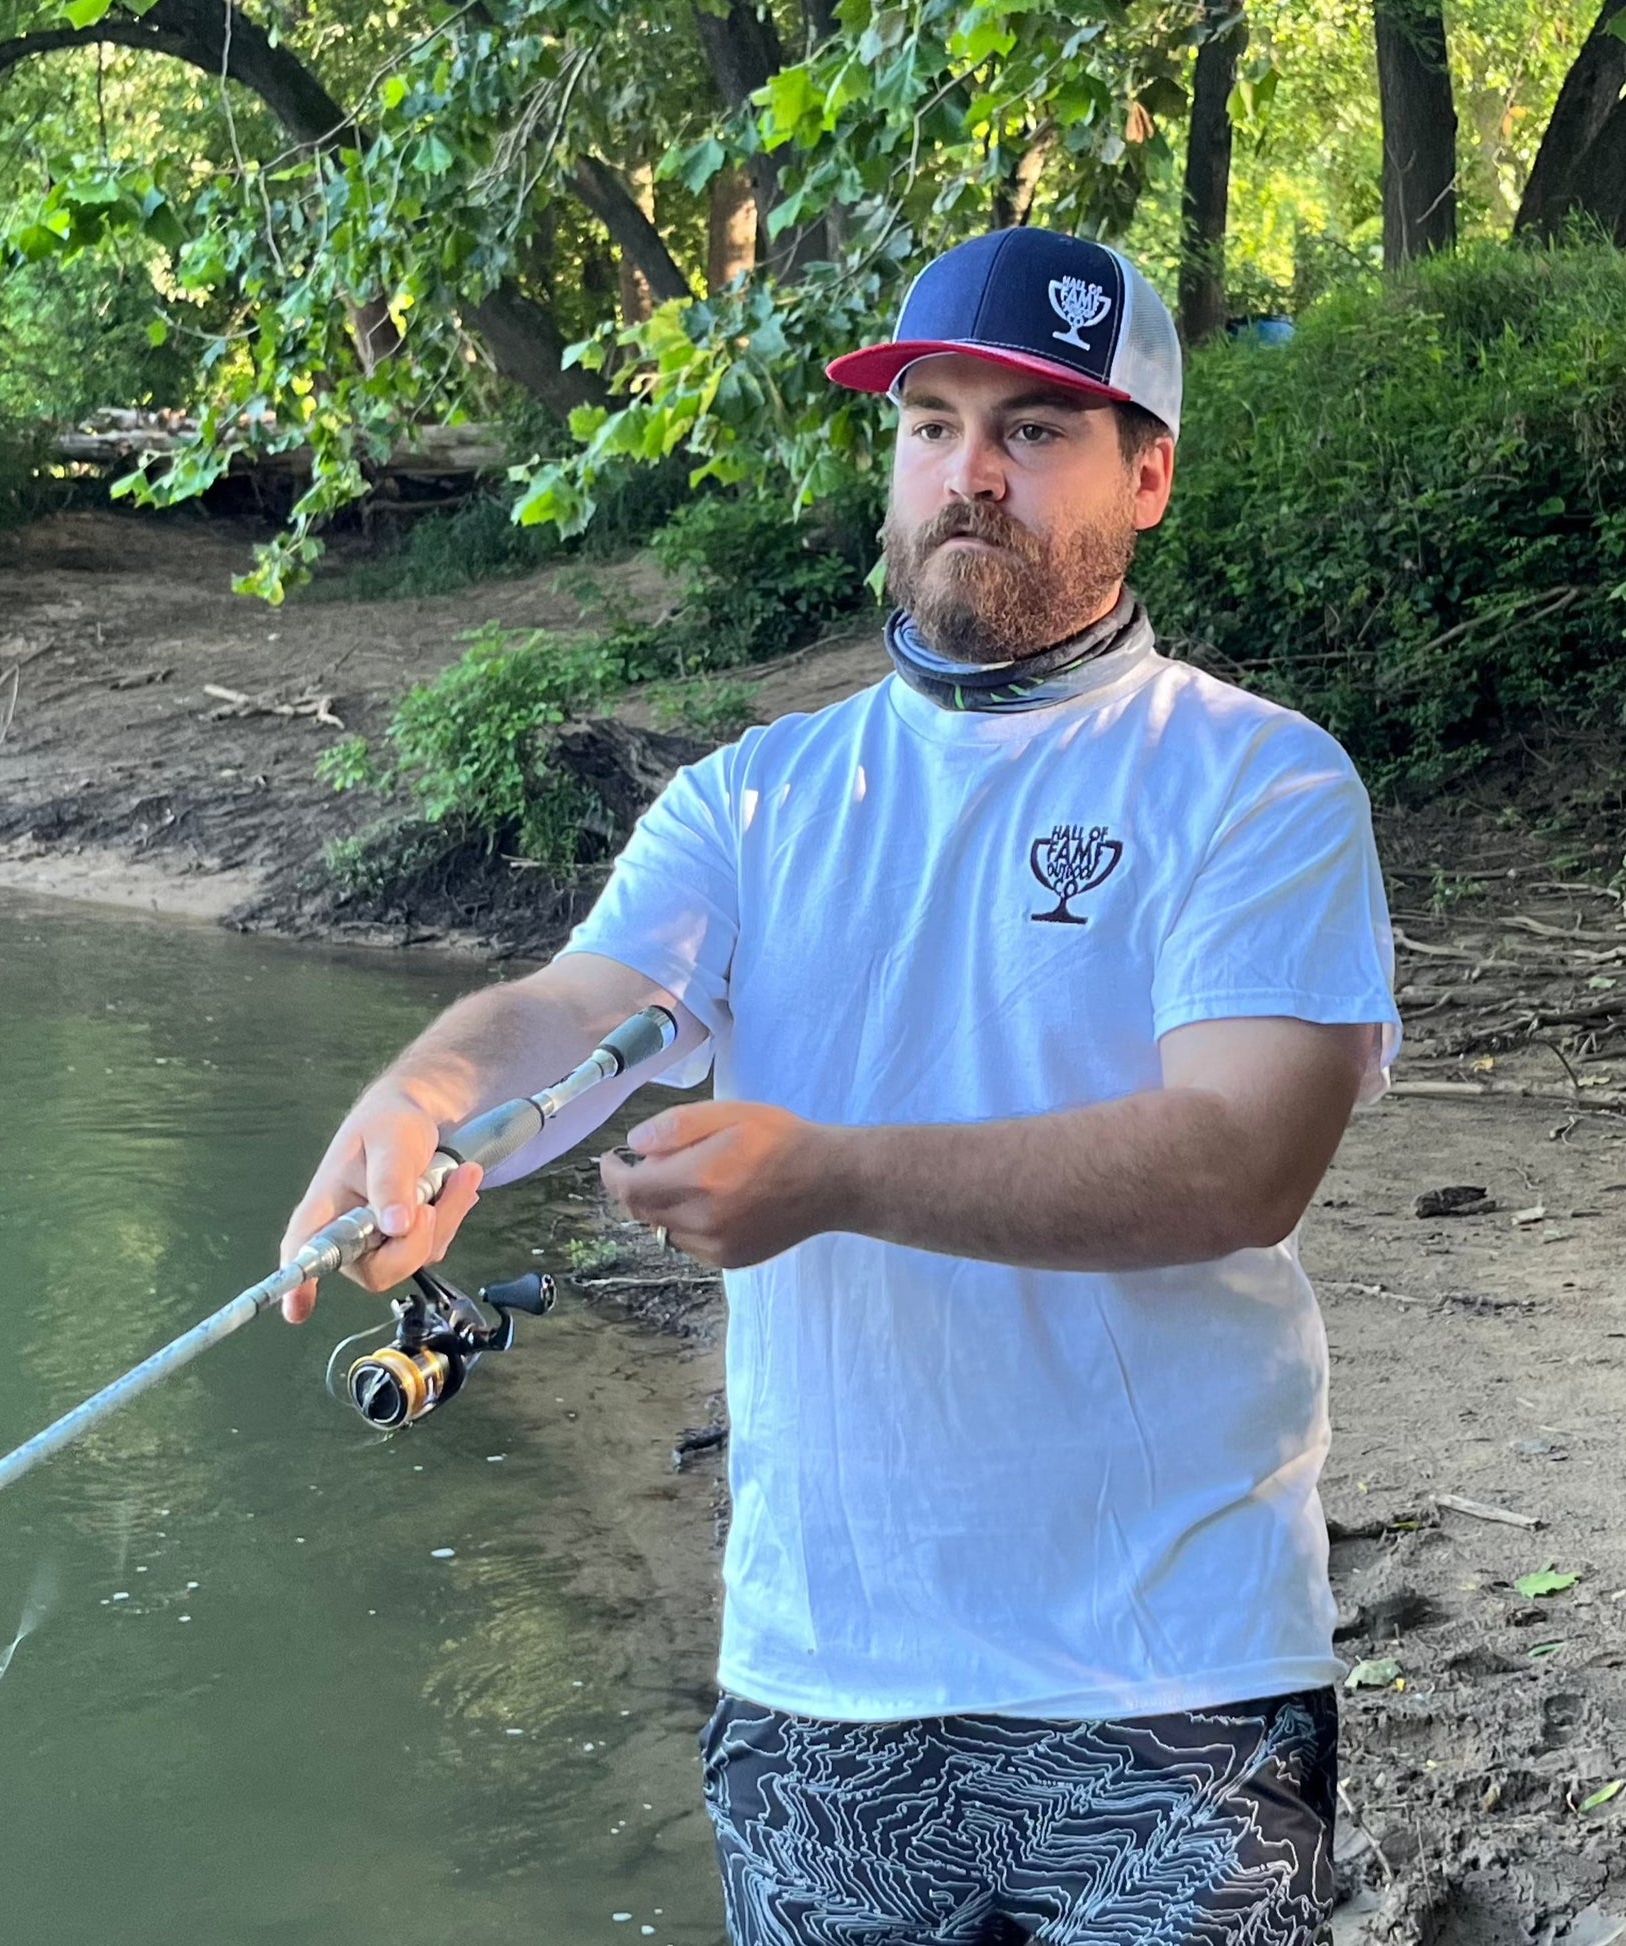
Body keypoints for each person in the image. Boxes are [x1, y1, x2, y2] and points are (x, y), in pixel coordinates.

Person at [280, 226, 1400, 1946]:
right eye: (929, 423)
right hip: (820, 1681)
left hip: (1174, 1684)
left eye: (1034, 430)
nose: (971, 473)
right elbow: (589, 1003)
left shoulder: (1255, 779)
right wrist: (429, 1099)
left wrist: (837, 1175)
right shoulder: (756, 795)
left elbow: (1238, 1161)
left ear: (1147, 473)